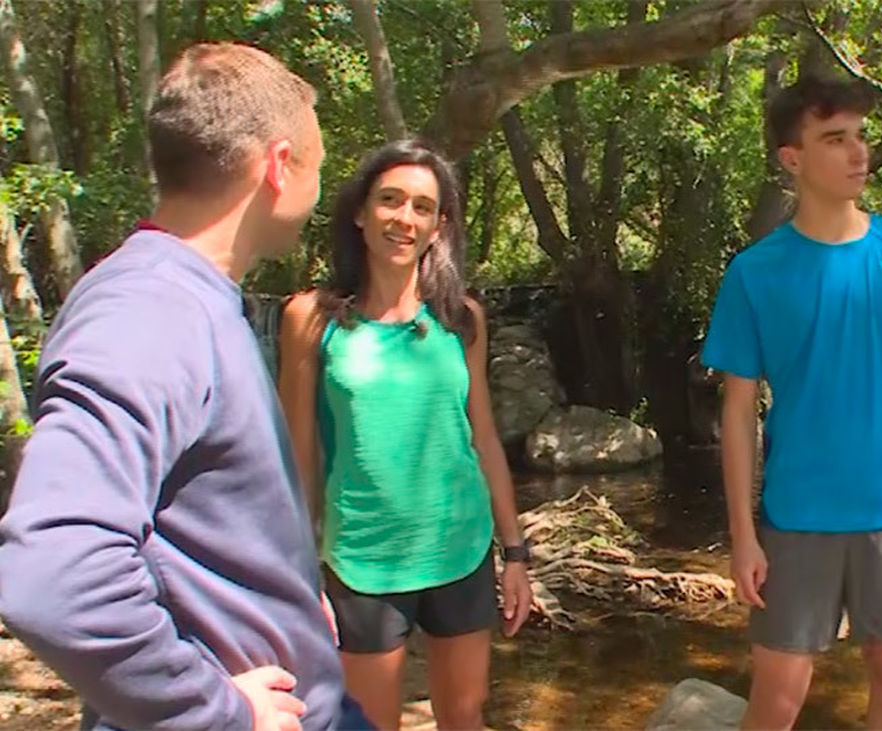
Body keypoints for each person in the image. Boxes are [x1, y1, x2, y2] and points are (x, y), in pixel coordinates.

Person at [0, 43, 370, 730]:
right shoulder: (147, 311)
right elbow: (53, 575)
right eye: (319, 162)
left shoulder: (187, 298)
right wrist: (218, 710)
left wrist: (284, 590)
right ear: (279, 165)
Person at [701, 76, 882, 731]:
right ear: (792, 159)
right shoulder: (755, 272)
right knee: (777, 695)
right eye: (834, 139)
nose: (857, 153)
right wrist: (741, 535)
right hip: (796, 516)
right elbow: (736, 412)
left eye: (860, 136)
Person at [278, 138, 533, 731]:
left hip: (461, 549)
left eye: (423, 206)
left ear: (439, 225)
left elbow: (485, 439)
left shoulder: (461, 318)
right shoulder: (310, 319)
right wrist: (296, 571)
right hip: (362, 560)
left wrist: (515, 553)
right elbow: (300, 455)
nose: (405, 218)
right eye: (390, 200)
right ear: (361, 213)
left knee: (465, 719)